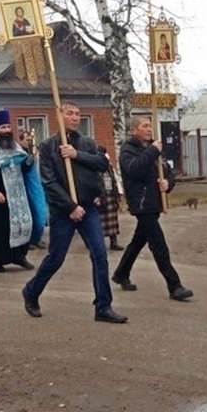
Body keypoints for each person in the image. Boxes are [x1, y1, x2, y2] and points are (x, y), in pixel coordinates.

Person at [22, 101, 127, 323]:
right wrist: (71, 207)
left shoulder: (86, 143)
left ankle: (103, 306)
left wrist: (77, 154)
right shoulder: (48, 146)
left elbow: (101, 164)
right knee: (56, 258)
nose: (75, 117)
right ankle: (31, 292)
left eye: (78, 114)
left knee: (100, 255)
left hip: (88, 208)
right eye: (70, 113)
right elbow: (49, 182)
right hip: (64, 211)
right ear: (59, 116)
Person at [111, 117, 193, 301]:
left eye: (149, 125)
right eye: (144, 126)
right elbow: (135, 169)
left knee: (138, 241)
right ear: (134, 130)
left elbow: (167, 171)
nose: (148, 129)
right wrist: (153, 150)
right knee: (158, 244)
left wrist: (167, 183)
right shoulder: (128, 150)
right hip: (141, 203)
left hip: (153, 202)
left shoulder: (154, 149)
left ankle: (121, 273)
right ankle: (175, 285)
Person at [0, 109, 46, 272]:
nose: (7, 130)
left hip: (17, 194)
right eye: (3, 127)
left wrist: (30, 160)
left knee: (23, 223)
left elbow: (26, 169)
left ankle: (19, 257)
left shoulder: (15, 147)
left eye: (8, 127)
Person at [96, 146, 124, 251]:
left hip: (110, 194)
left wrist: (119, 193)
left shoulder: (109, 166)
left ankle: (114, 242)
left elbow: (115, 179)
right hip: (100, 196)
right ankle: (98, 244)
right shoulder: (94, 166)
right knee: (99, 221)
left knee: (113, 221)